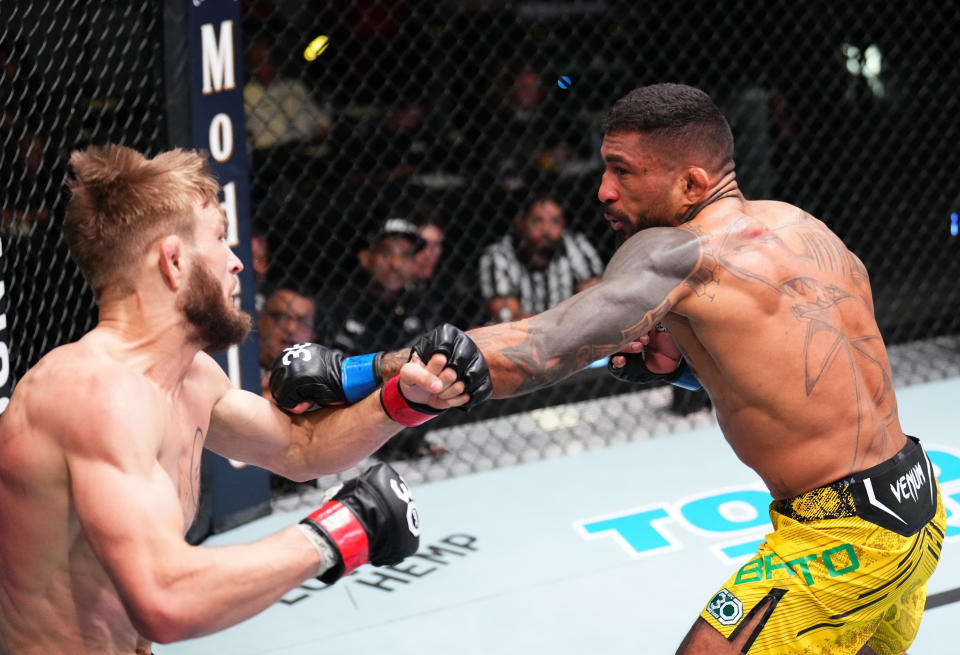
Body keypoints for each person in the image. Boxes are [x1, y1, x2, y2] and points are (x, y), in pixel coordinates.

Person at [277, 84, 946, 655]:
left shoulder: (674, 253)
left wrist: (353, 371)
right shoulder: (801, 225)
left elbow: (543, 348)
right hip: (917, 501)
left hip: (840, 543)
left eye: (624, 171)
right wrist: (690, 368)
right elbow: (819, 370)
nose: (602, 190)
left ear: (691, 184)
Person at [0, 144, 491, 653]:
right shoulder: (94, 395)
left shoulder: (190, 378)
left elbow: (299, 450)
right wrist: (335, 534)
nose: (237, 263)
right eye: (219, 239)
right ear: (174, 261)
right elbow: (165, 601)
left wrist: (405, 397)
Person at [478, 190, 604, 323]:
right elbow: (508, 316)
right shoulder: (499, 255)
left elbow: (594, 301)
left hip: (570, 332)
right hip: (521, 337)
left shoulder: (575, 246)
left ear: (564, 225)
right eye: (537, 221)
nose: (547, 230)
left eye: (555, 221)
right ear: (521, 223)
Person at [316, 216, 430, 355]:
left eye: (406, 255)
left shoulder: (421, 309)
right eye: (386, 253)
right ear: (366, 257)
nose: (396, 264)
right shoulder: (333, 305)